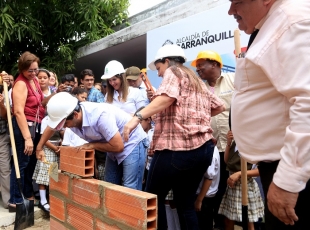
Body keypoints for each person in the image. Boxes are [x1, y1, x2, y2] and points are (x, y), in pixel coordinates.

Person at [123, 44, 225, 230]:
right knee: (185, 203)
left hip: (176, 149)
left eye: (159, 68)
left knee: (153, 199)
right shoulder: (196, 79)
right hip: (203, 150)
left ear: (167, 61)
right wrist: (193, 117)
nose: (160, 74)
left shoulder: (174, 72)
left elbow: (168, 98)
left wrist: (137, 118)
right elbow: (219, 107)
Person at [228, 0, 310, 228]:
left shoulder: (290, 22)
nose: (231, 11)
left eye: (238, 2)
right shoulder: (273, 24)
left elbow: (307, 102)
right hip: (280, 165)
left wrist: (288, 181)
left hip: (293, 169)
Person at [36, 92, 148, 190]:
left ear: (75, 115)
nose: (65, 127)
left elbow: (118, 146)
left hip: (132, 142)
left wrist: (91, 145)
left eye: (65, 124)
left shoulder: (100, 116)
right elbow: (51, 127)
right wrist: (39, 148)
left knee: (130, 189)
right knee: (110, 186)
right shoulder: (69, 114)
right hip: (112, 143)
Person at [191, 50, 234, 230]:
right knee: (211, 190)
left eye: (201, 65)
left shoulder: (233, 79)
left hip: (232, 147)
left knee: (229, 191)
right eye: (197, 67)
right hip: (210, 148)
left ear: (215, 65)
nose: (198, 69)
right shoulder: (199, 89)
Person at [8, 51, 45, 212]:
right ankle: (15, 200)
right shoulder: (21, 84)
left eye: (35, 69)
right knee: (21, 162)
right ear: (22, 69)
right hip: (24, 126)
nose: (33, 73)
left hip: (36, 124)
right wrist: (27, 138)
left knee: (31, 162)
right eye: (30, 70)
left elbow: (40, 101)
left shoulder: (35, 80)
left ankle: (28, 194)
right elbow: (18, 111)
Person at [218, 131, 264, 230]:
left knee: (248, 221)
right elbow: (227, 161)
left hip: (246, 185)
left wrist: (240, 174)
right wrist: (228, 143)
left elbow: (261, 170)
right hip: (233, 185)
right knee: (228, 219)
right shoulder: (237, 142)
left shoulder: (254, 143)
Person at [32, 116, 61, 213]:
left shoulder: (61, 118)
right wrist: (55, 148)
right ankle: (43, 201)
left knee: (53, 176)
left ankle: (51, 199)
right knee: (43, 177)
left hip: (57, 149)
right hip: (47, 149)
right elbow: (43, 138)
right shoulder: (46, 120)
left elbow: (62, 133)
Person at [195, 146, 220, 230]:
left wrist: (199, 200)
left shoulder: (209, 151)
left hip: (204, 195)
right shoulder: (212, 147)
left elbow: (209, 178)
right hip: (205, 194)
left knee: (204, 223)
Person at [0, 73, 11, 209]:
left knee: (5, 168)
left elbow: (5, 116)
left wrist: (1, 104)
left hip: (2, 135)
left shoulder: (3, 93)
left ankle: (7, 200)